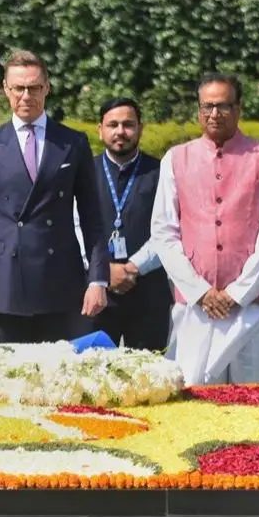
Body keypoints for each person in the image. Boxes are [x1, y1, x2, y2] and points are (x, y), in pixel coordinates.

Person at [0, 49, 109, 343]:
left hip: (61, 281)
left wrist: (97, 280)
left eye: (34, 88)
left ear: (47, 88)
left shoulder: (73, 143)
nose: (26, 96)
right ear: (6, 89)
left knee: (60, 369)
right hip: (5, 282)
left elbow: (92, 217)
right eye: (19, 88)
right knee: (11, 369)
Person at [150, 72, 259, 385]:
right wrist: (200, 292)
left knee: (250, 399)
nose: (215, 114)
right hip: (196, 306)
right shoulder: (176, 159)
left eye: (224, 106)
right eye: (208, 106)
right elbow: (163, 231)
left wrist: (238, 293)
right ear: (198, 110)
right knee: (194, 394)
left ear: (238, 108)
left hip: (251, 307)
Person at [73, 97, 172, 351]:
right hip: (96, 293)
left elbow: (170, 229)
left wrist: (133, 267)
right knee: (92, 371)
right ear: (100, 130)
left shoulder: (162, 172)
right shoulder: (83, 172)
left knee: (149, 372)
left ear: (140, 128)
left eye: (128, 125)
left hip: (149, 292)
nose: (120, 131)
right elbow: (74, 228)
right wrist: (104, 270)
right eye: (112, 125)